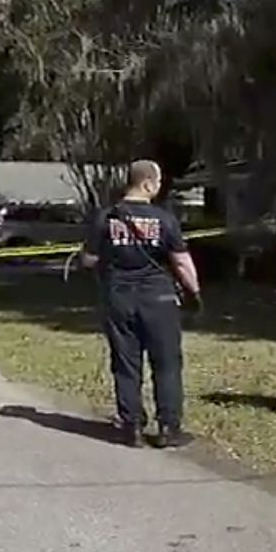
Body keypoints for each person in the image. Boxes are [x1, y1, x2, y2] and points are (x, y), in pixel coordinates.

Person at [81, 159, 202, 448]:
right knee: (167, 363)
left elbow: (89, 259)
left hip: (119, 297)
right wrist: (194, 293)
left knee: (125, 362)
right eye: (157, 183)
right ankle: (168, 427)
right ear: (147, 183)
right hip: (158, 298)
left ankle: (131, 425)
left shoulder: (106, 217)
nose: (159, 188)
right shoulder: (165, 219)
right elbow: (182, 262)